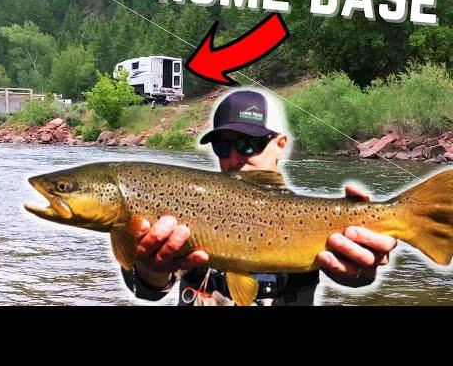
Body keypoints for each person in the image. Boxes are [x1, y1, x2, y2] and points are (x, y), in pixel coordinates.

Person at [122, 88, 398, 305]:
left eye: (248, 144)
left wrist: (361, 273)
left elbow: (353, 275)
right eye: (222, 146)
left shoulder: (308, 217)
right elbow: (147, 291)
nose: (234, 158)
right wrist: (151, 271)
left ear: (280, 145)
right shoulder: (189, 204)